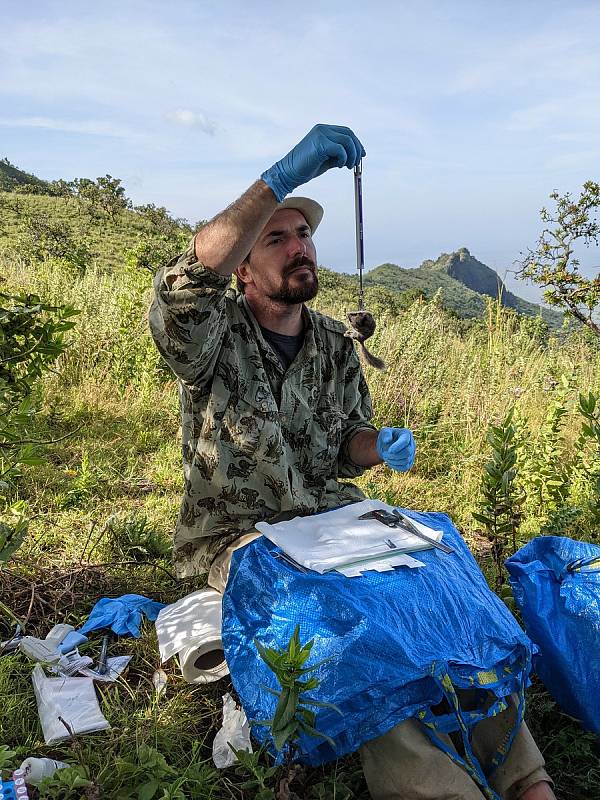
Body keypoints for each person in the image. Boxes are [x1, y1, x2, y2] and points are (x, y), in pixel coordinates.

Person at [149, 124, 555, 800]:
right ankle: (439, 787)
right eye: (274, 239)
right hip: (241, 535)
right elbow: (185, 287)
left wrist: (378, 446)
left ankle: (523, 774)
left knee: (436, 576)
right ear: (243, 270)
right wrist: (283, 176)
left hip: (330, 521)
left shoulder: (335, 344)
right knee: (341, 624)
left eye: (303, 236)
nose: (298, 247)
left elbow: (346, 439)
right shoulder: (212, 338)